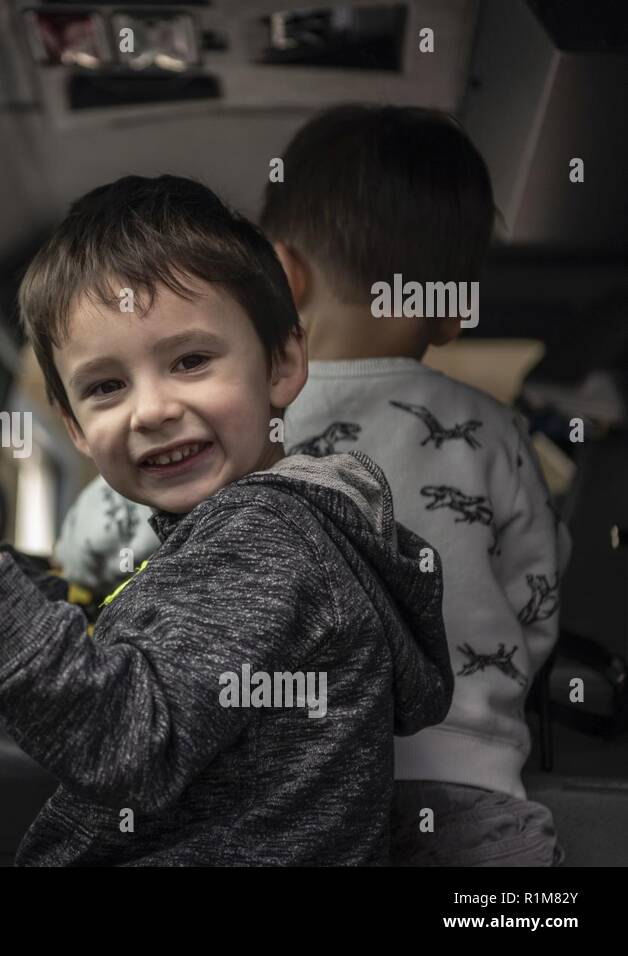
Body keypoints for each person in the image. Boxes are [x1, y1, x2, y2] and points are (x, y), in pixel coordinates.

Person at [0, 174, 452, 865]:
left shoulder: (265, 537)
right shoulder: (250, 538)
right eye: (107, 386)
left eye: (191, 360)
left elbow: (125, 743)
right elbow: (143, 662)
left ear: (284, 362)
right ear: (75, 426)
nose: (150, 410)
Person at [55, 106, 571, 865]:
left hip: (290, 789)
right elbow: (536, 597)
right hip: (474, 787)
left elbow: (107, 549)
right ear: (458, 311)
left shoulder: (242, 421)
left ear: (284, 276)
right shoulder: (493, 431)